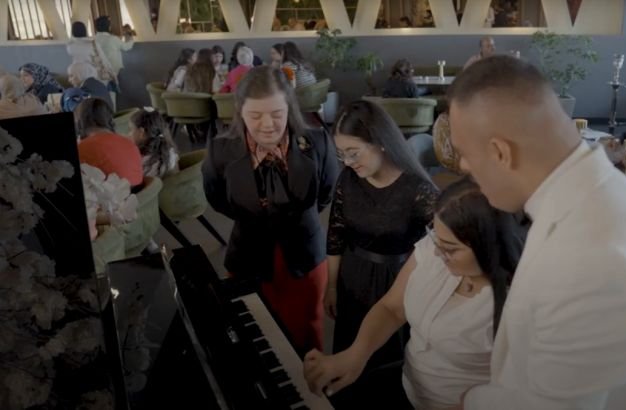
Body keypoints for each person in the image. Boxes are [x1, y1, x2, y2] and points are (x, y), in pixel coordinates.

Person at [447, 55, 626, 409]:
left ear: (500, 152)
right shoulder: (588, 191)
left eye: (464, 153)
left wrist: (468, 400)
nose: (464, 166)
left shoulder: (593, 259)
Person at [305, 178, 522, 410]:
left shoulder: (519, 304)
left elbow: (516, 395)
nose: (436, 253)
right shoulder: (434, 249)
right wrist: (355, 356)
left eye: (450, 248)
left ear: (491, 246)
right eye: (435, 237)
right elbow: (392, 308)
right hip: (408, 381)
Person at [202, 66, 339, 353]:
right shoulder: (220, 151)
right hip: (248, 254)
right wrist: (255, 214)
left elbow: (325, 195)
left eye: (277, 114)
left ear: (290, 108)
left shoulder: (318, 143)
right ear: (240, 112)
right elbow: (218, 200)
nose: (267, 125)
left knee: (307, 329)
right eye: (255, 116)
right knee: (253, 333)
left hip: (304, 253)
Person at [320, 100, 438, 408]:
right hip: (353, 276)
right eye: (341, 154)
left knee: (385, 368)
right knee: (349, 355)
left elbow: (446, 241)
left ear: (380, 143)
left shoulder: (417, 189)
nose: (347, 162)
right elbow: (336, 233)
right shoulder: (348, 179)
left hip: (396, 282)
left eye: (353, 152)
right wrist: (331, 285)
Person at [75, 98, 143, 188]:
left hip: (113, 196)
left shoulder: (83, 149)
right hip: (140, 195)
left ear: (80, 122)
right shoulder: (129, 142)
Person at [129, 108, 179, 178]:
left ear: (141, 133)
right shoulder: (170, 151)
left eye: (131, 129)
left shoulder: (144, 163)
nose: (129, 134)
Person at [66, 21, 115, 85]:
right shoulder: (92, 44)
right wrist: (112, 72)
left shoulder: (70, 46)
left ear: (72, 32)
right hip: (92, 74)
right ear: (85, 31)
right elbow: (103, 59)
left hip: (77, 75)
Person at [93, 15, 134, 83]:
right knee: (115, 87)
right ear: (108, 26)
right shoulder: (113, 39)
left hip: (99, 72)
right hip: (113, 71)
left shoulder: (93, 40)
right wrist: (131, 38)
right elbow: (126, 47)